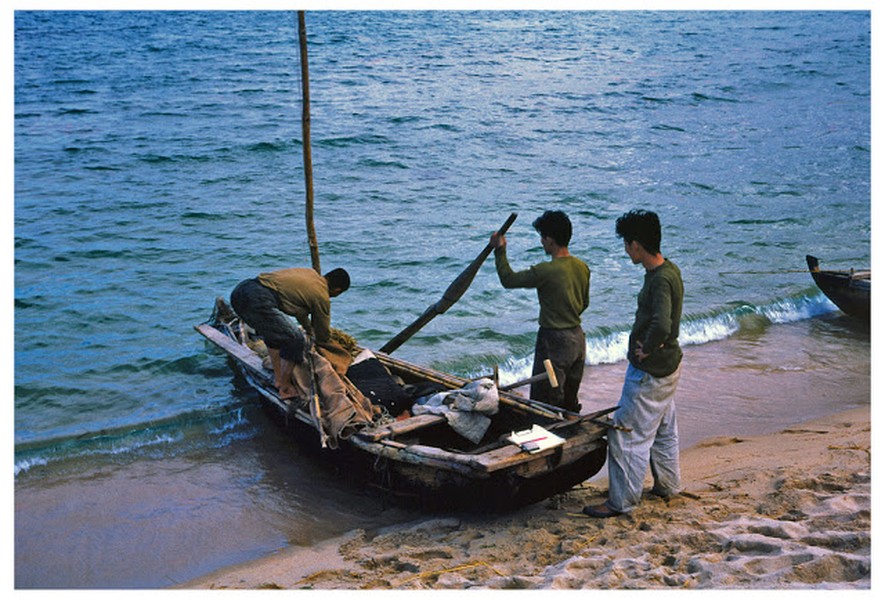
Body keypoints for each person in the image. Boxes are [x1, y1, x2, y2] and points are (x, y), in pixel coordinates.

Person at [583, 209, 684, 518]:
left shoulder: (659, 281)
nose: (626, 251)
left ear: (636, 245)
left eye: (627, 245)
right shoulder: (671, 270)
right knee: (663, 427)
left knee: (625, 433)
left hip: (651, 371)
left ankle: (622, 501)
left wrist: (646, 350)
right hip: (669, 367)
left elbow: (663, 324)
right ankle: (668, 484)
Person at [490, 210, 590, 412]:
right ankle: (571, 429)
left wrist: (500, 250)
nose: (542, 242)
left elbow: (508, 280)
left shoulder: (546, 271)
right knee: (570, 400)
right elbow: (584, 303)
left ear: (550, 240)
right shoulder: (582, 267)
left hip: (554, 340)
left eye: (543, 238)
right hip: (577, 338)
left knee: (545, 403)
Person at [230, 267, 350, 400]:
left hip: (241, 290)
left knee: (274, 336)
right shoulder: (322, 296)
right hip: (258, 299)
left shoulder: (310, 274)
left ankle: (278, 378)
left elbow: (301, 313)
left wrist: (309, 329)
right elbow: (322, 333)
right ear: (337, 291)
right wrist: (327, 346)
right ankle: (285, 387)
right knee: (296, 340)